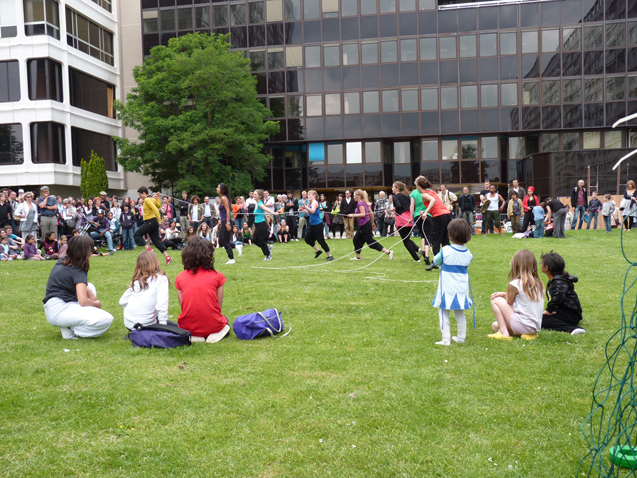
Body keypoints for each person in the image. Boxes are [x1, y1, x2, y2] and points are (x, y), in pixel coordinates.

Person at [42, 235, 114, 339]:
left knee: (90, 287)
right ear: (85, 252)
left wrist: (93, 298)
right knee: (107, 319)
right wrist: (96, 304)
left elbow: (85, 287)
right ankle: (72, 328)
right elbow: (83, 301)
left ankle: (67, 327)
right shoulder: (78, 270)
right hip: (60, 310)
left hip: (53, 306)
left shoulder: (63, 260)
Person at [175, 236, 230, 343]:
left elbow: (184, 306)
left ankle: (196, 336)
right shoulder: (218, 276)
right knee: (225, 320)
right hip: (213, 326)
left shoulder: (180, 278)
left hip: (188, 328)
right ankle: (212, 334)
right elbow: (218, 307)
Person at [431, 219, 473, 345]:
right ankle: (461, 337)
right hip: (461, 288)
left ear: (450, 235)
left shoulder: (446, 250)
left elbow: (436, 261)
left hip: (447, 288)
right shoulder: (468, 253)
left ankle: (446, 339)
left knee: (443, 312)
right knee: (459, 313)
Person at [488, 249, 544, 341]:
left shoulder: (515, 284)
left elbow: (509, 302)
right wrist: (504, 294)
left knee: (495, 300)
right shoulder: (538, 283)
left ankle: (504, 333)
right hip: (535, 327)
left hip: (523, 324)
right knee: (495, 326)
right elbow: (524, 298)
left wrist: (503, 296)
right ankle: (529, 335)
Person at [119, 251, 172, 330]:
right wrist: (163, 328)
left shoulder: (138, 280)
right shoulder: (161, 279)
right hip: (145, 324)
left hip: (129, 324)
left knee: (173, 325)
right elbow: (162, 305)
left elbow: (122, 302)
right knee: (177, 328)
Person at [540, 251, 585, 335]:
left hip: (570, 314)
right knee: (539, 318)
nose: (540, 265)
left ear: (546, 267)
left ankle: (572, 329)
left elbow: (558, 296)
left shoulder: (559, 282)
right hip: (564, 312)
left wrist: (549, 310)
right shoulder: (558, 280)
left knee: (542, 320)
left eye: (541, 263)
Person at [415, 177, 452, 271]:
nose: (416, 188)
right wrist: (425, 211)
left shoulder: (424, 194)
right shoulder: (431, 191)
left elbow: (433, 201)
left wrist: (426, 212)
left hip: (439, 216)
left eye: (416, 186)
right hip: (447, 214)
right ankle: (447, 261)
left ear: (419, 186)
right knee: (445, 239)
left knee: (435, 240)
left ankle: (435, 262)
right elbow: (436, 204)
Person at [349, 189, 393, 261]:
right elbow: (371, 213)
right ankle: (358, 256)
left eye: (354, 196)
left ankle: (388, 252)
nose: (354, 197)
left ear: (359, 196)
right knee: (356, 239)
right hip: (364, 225)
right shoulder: (365, 203)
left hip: (365, 225)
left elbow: (363, 214)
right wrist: (372, 223)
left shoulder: (360, 203)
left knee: (370, 242)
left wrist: (352, 215)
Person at [134, 187, 172, 266]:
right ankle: (167, 257)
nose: (140, 197)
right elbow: (158, 205)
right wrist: (158, 197)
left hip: (151, 221)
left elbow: (156, 209)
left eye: (140, 194)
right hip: (151, 222)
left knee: (137, 235)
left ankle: (148, 249)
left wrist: (159, 221)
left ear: (144, 193)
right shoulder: (151, 199)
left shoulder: (148, 200)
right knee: (157, 240)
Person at [300, 190, 334, 261]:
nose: (308, 196)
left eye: (310, 195)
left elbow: (313, 211)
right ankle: (318, 251)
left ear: (314, 196)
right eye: (308, 195)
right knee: (307, 239)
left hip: (317, 225)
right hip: (312, 224)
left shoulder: (315, 202)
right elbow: (311, 213)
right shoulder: (310, 202)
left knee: (321, 241)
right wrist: (306, 210)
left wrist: (305, 207)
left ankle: (330, 255)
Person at [391, 182, 421, 262]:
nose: (392, 189)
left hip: (402, 221)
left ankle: (416, 259)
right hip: (409, 220)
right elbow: (412, 207)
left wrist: (394, 209)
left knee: (405, 241)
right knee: (407, 239)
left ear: (397, 188)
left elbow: (398, 206)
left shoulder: (394, 197)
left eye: (393, 187)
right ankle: (418, 249)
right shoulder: (407, 197)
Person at [410, 177, 433, 264]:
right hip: (428, 214)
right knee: (428, 235)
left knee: (423, 234)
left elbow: (412, 206)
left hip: (417, 215)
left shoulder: (413, 193)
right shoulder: (428, 191)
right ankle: (426, 255)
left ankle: (423, 250)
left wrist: (411, 217)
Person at [252, 189, 277, 260]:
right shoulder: (256, 203)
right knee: (254, 239)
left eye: (255, 194)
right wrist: (267, 223)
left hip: (261, 224)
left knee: (261, 240)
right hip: (257, 225)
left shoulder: (260, 204)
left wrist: (274, 213)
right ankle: (268, 247)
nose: (254, 195)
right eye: (253, 194)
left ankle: (268, 255)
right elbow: (264, 214)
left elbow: (266, 209)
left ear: (260, 196)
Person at [217, 183, 236, 264]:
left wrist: (228, 222)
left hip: (226, 221)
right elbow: (231, 208)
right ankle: (237, 247)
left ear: (223, 190)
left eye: (218, 187)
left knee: (225, 241)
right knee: (221, 240)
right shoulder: (224, 198)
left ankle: (231, 259)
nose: (217, 188)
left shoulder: (224, 198)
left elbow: (228, 210)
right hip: (224, 220)